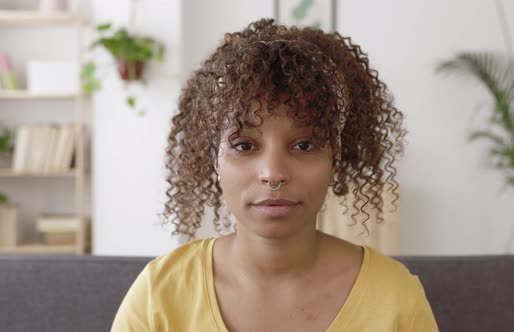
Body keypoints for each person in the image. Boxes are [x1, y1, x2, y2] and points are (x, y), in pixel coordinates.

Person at [111, 18, 439, 332]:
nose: (273, 174)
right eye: (244, 145)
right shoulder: (158, 296)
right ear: (214, 157)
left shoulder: (396, 301)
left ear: (335, 157)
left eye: (305, 144)